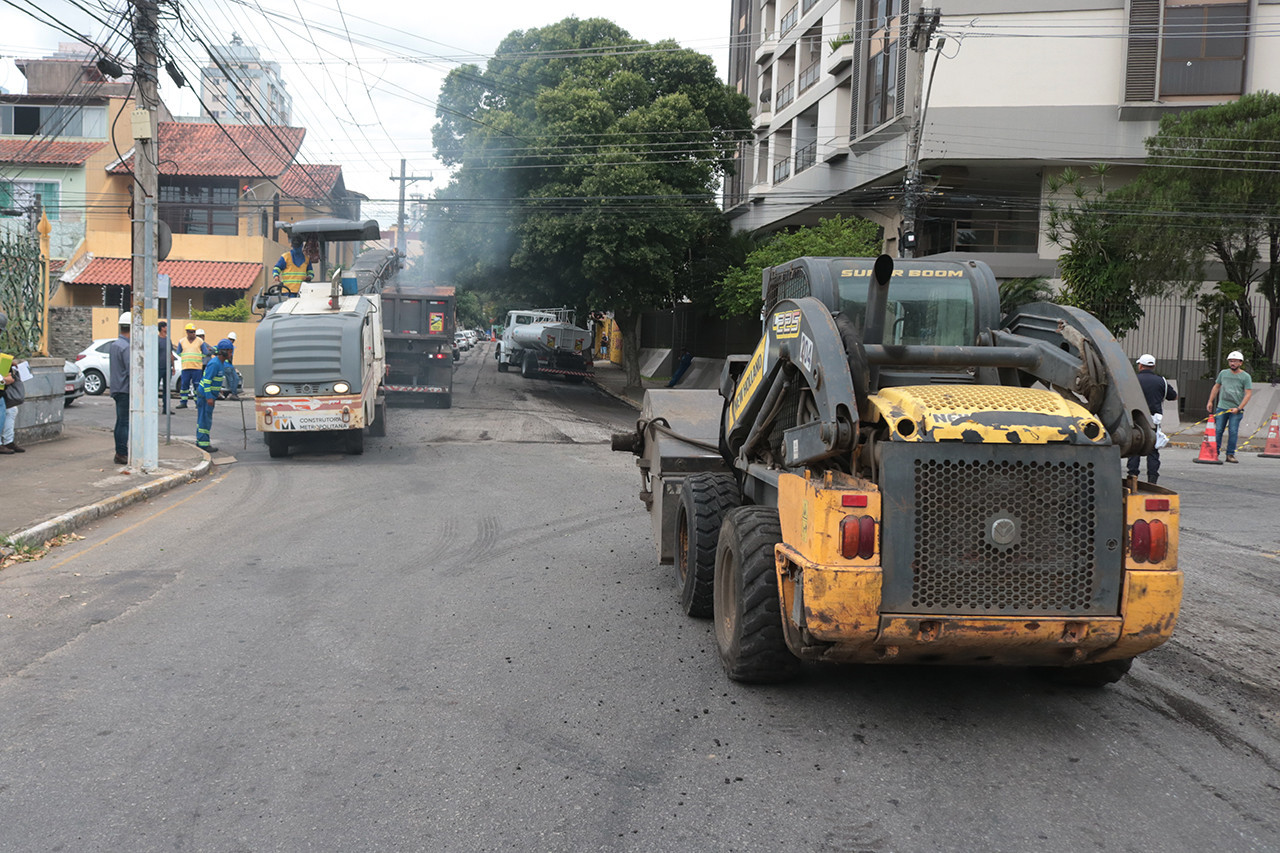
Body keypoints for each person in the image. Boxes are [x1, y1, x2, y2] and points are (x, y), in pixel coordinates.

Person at [1126, 354, 1178, 484]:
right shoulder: (1162, 381)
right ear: (1153, 366)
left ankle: (1132, 478)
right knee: (1153, 450)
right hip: (1154, 421)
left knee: (1135, 448)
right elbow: (1174, 396)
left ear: (1140, 366)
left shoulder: (1133, 380)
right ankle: (1152, 480)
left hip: (1136, 418)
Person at [1207, 350, 1253, 463]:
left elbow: (1248, 394)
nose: (1232, 363)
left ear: (1240, 363)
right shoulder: (1223, 373)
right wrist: (1210, 401)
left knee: (1233, 431)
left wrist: (1239, 408)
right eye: (1231, 361)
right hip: (1222, 407)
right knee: (1218, 430)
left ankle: (1230, 454)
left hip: (1236, 409)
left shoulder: (1245, 377)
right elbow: (1216, 387)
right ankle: (1214, 452)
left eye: (1235, 361)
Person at [194, 339, 234, 453]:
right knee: (204, 420)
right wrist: (209, 397)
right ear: (224, 352)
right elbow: (206, 381)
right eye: (230, 352)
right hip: (205, 396)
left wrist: (218, 392)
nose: (231, 354)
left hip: (209, 395)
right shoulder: (215, 364)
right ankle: (203, 444)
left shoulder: (220, 363)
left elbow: (214, 381)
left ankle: (201, 441)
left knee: (205, 419)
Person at [109, 311, 131, 465]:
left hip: (117, 388)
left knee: (120, 422)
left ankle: (119, 451)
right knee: (124, 423)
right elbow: (132, 370)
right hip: (125, 389)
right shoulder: (126, 347)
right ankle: (122, 452)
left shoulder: (115, 345)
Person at [175, 322, 203, 408]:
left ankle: (197, 402)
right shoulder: (182, 341)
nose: (193, 333)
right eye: (191, 332)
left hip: (197, 368)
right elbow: (178, 353)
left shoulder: (200, 341)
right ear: (187, 332)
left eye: (194, 331)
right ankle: (183, 402)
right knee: (184, 386)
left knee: (197, 386)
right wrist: (185, 358)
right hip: (186, 367)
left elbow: (205, 352)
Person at [157, 320, 170, 414]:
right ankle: (154, 407)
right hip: (158, 368)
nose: (167, 328)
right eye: (165, 326)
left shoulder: (168, 340)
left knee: (167, 389)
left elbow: (170, 354)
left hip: (167, 368)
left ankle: (166, 408)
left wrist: (173, 366)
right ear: (162, 328)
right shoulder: (157, 340)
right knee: (155, 388)